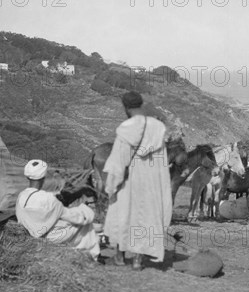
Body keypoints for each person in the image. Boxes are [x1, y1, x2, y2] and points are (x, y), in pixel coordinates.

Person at [103, 91, 172, 270]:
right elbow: (162, 162)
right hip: (150, 183)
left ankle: (119, 257)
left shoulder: (126, 128)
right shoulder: (158, 128)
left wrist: (110, 187)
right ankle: (138, 260)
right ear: (142, 104)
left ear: (126, 107)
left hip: (129, 181)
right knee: (145, 218)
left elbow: (118, 163)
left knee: (122, 215)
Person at [16, 159, 101, 261]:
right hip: (50, 237)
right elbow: (74, 217)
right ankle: (93, 256)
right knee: (86, 225)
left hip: (32, 232)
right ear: (44, 177)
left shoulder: (21, 196)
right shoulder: (48, 199)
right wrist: (86, 210)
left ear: (27, 177)